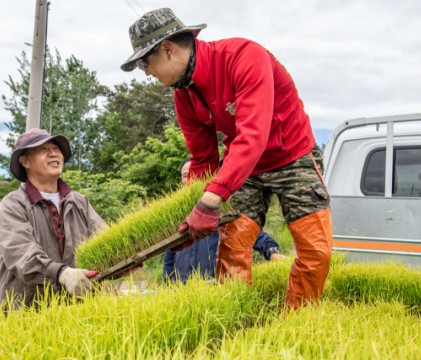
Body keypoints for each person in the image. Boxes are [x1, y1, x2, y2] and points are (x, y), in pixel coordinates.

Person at [121, 9, 332, 309]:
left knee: (315, 252)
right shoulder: (183, 95)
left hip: (292, 155)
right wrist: (159, 238)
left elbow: (253, 136)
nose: (147, 73)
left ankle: (298, 322)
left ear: (167, 49)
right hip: (242, 167)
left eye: (145, 63)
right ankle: (233, 324)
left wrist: (213, 197)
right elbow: (202, 161)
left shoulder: (244, 57)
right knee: (232, 248)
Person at [0, 129, 105, 309]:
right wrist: (62, 273)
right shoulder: (13, 205)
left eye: (56, 148)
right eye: (43, 149)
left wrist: (126, 258)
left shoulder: (79, 202)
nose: (54, 153)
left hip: (79, 312)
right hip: (28, 315)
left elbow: (105, 240)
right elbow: (21, 256)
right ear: (25, 161)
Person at [163, 158, 286, 284]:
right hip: (184, 290)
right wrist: (169, 284)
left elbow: (247, 230)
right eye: (185, 175)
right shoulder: (177, 215)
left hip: (217, 287)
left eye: (194, 172)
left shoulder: (219, 206)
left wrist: (272, 251)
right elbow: (170, 257)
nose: (191, 178)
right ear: (182, 180)